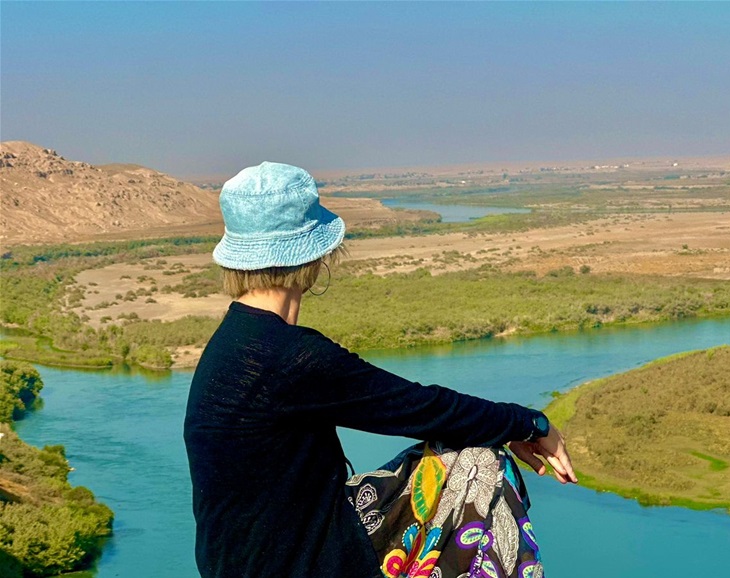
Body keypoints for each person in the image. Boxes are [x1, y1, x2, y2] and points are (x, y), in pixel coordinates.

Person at [183, 162, 575, 578]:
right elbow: (424, 407)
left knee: (470, 452)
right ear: (316, 256)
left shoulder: (233, 338)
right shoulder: (292, 357)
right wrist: (530, 423)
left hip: (243, 561)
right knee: (481, 463)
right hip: (304, 563)